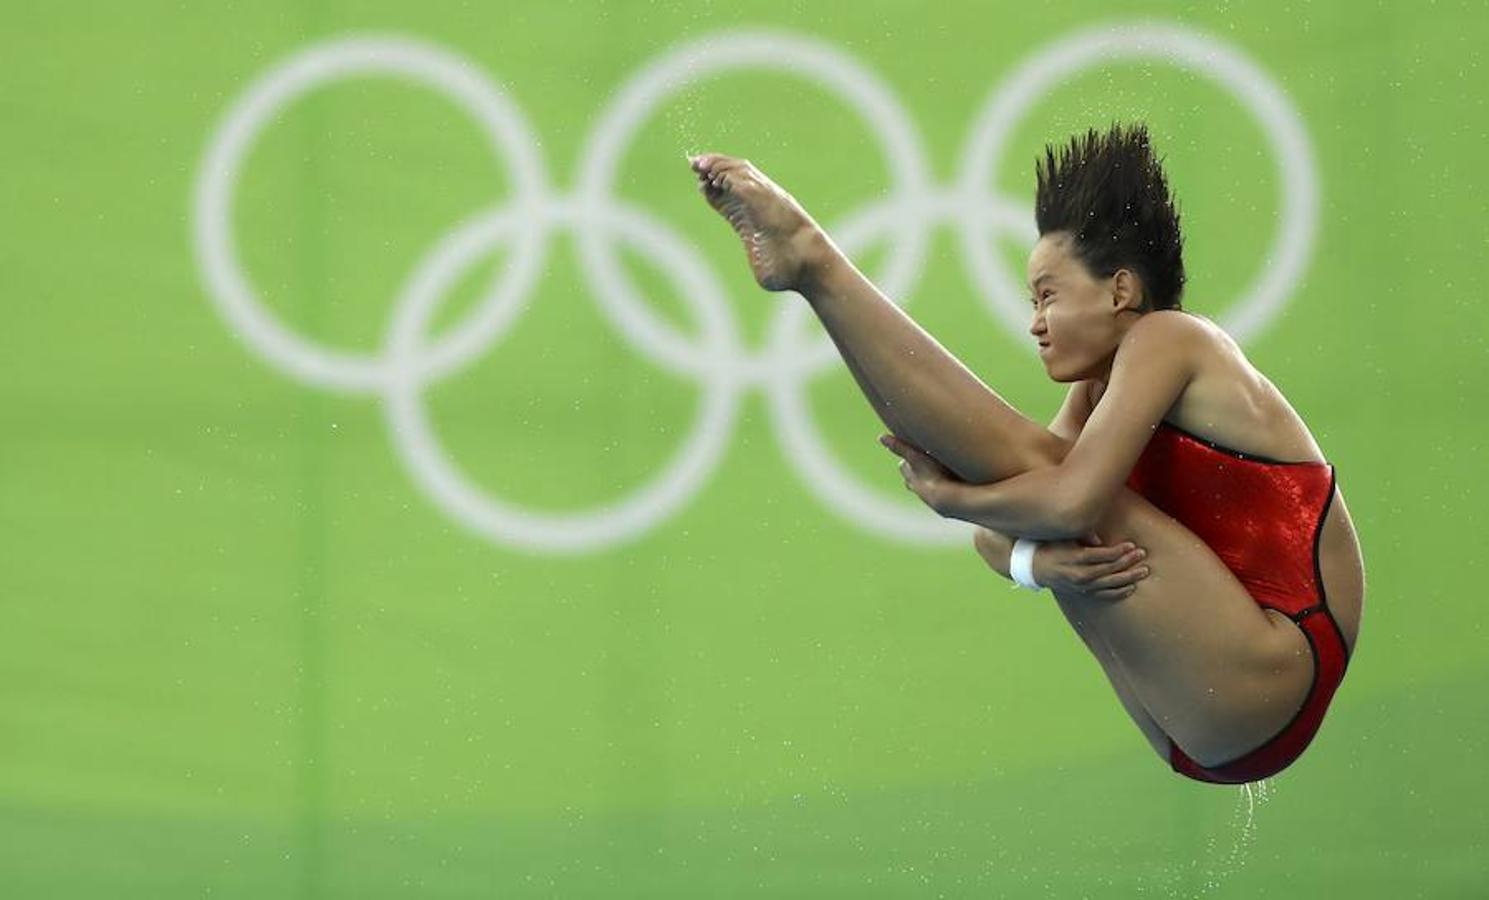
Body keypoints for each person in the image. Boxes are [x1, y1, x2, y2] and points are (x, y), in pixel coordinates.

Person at [688, 122, 1365, 784]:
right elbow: (1002, 536)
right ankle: (816, 274)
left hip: (1279, 665)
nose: (1033, 322)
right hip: (1196, 722)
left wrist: (955, 500)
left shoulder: (1171, 339)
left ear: (1120, 291)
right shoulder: (1096, 394)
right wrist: (1034, 565)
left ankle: (816, 265)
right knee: (1047, 521)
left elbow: (1068, 499)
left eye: (1047, 295)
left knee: (1052, 488)